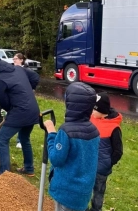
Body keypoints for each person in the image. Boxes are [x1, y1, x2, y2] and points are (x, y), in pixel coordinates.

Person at [43, 82, 100, 211]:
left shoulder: (66, 131)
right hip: (83, 192)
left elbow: (56, 159)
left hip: (66, 193)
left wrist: (51, 132)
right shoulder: (94, 131)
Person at [0, 54, 40, 176]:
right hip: (33, 110)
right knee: (24, 138)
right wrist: (28, 91)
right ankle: (29, 168)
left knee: (1, 139)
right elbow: (35, 77)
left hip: (20, 112)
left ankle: (4, 175)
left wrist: (10, 112)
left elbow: (3, 101)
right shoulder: (18, 69)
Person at [87, 92, 123, 211]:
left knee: (98, 192)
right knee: (85, 188)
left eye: (93, 109)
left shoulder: (114, 128)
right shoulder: (91, 118)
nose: (91, 111)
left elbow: (118, 151)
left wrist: (108, 163)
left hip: (101, 169)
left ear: (101, 110)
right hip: (87, 165)